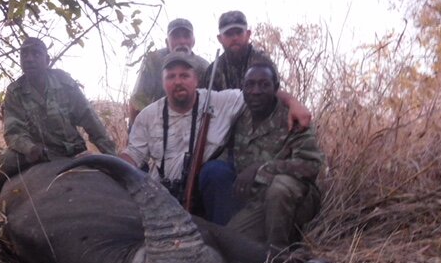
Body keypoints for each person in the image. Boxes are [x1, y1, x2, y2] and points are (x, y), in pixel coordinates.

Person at [222, 60, 325, 251]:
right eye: (250, 85)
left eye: (264, 84)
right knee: (230, 242)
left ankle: (279, 254)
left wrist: (261, 170)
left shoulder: (293, 117)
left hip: (296, 198)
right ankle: (273, 240)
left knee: (280, 187)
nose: (256, 91)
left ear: (276, 88)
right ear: (243, 89)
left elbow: (311, 165)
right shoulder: (239, 116)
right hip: (258, 200)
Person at [0, 37, 115, 192]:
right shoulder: (14, 92)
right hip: (34, 155)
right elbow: (14, 132)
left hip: (71, 151)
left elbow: (89, 119)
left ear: (47, 60)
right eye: (24, 55)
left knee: (116, 173)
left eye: (36, 54)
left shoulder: (65, 83)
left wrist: (111, 156)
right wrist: (30, 149)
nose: (29, 59)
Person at [120, 52, 244, 204]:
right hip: (163, 194)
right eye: (171, 77)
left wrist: (281, 93)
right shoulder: (147, 116)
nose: (178, 81)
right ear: (163, 82)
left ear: (196, 80)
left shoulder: (219, 101)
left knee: (217, 172)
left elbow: (255, 94)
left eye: (184, 76)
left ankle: (222, 228)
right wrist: (108, 165)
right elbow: (133, 155)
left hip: (203, 190)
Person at [202, 10, 311, 131]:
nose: (234, 38)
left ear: (248, 34)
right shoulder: (212, 71)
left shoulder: (262, 61)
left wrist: (293, 102)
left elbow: (274, 92)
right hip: (225, 127)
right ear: (220, 39)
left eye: (239, 32)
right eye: (228, 34)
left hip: (259, 123)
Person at [128, 18, 209, 127]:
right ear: (167, 42)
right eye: (176, 37)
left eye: (186, 36)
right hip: (156, 126)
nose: (182, 41)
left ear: (193, 41)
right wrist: (134, 133)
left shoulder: (204, 67)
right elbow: (138, 102)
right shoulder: (153, 60)